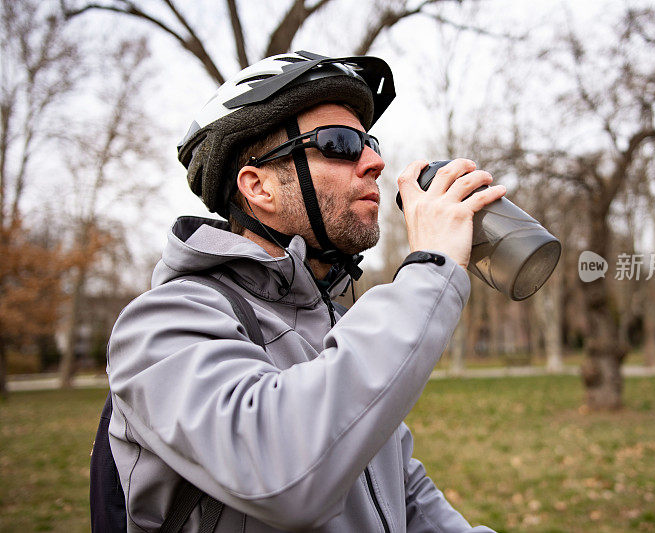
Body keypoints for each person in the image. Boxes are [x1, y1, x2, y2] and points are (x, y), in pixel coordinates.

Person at [107, 51, 505, 532]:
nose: (375, 162)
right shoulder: (161, 323)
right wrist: (430, 267)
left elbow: (405, 498)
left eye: (370, 142)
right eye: (341, 143)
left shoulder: (338, 326)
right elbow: (282, 473)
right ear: (259, 187)